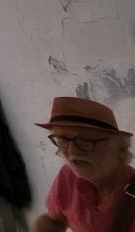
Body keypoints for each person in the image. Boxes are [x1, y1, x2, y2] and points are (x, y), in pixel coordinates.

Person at [34, 97, 134, 232]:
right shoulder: (68, 175)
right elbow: (54, 219)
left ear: (121, 149)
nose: (72, 150)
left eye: (86, 140)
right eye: (62, 139)